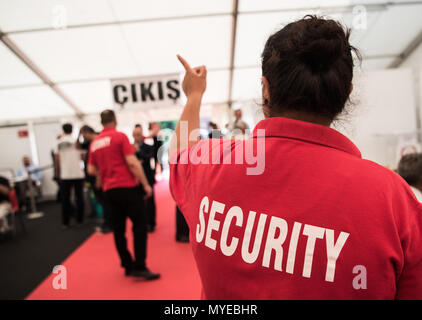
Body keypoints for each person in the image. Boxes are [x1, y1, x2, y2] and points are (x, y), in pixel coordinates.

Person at [169, 16, 422, 299]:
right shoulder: (395, 201)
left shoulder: (211, 163)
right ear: (345, 95)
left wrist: (194, 96)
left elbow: (179, 152)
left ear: (265, 89)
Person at [88, 110, 160, 280]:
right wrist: (145, 184)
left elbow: (91, 169)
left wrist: (103, 175)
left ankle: (127, 265)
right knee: (139, 226)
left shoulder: (95, 143)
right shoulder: (120, 137)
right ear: (114, 120)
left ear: (101, 122)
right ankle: (140, 266)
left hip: (109, 191)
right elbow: (132, 163)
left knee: (118, 230)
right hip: (127, 188)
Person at [79, 125, 112, 233]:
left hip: (99, 178)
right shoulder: (91, 143)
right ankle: (107, 222)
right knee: (102, 201)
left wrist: (99, 178)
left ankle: (108, 224)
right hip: (94, 178)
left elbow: (100, 162)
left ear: (87, 132)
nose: (83, 137)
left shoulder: (98, 142)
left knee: (104, 201)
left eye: (83, 134)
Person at [54, 123, 85, 228]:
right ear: (71, 130)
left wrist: (57, 174)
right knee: (79, 198)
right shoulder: (76, 141)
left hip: (65, 175)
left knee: (65, 199)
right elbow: (82, 156)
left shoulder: (58, 142)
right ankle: (80, 220)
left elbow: (56, 160)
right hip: (78, 174)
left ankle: (65, 222)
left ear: (63, 130)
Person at [133, 125, 157, 232]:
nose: (136, 137)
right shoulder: (130, 147)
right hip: (135, 179)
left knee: (150, 201)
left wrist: (139, 152)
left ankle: (151, 223)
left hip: (148, 177)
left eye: (138, 135)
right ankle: (140, 222)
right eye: (134, 135)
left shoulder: (147, 146)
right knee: (137, 202)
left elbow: (149, 157)